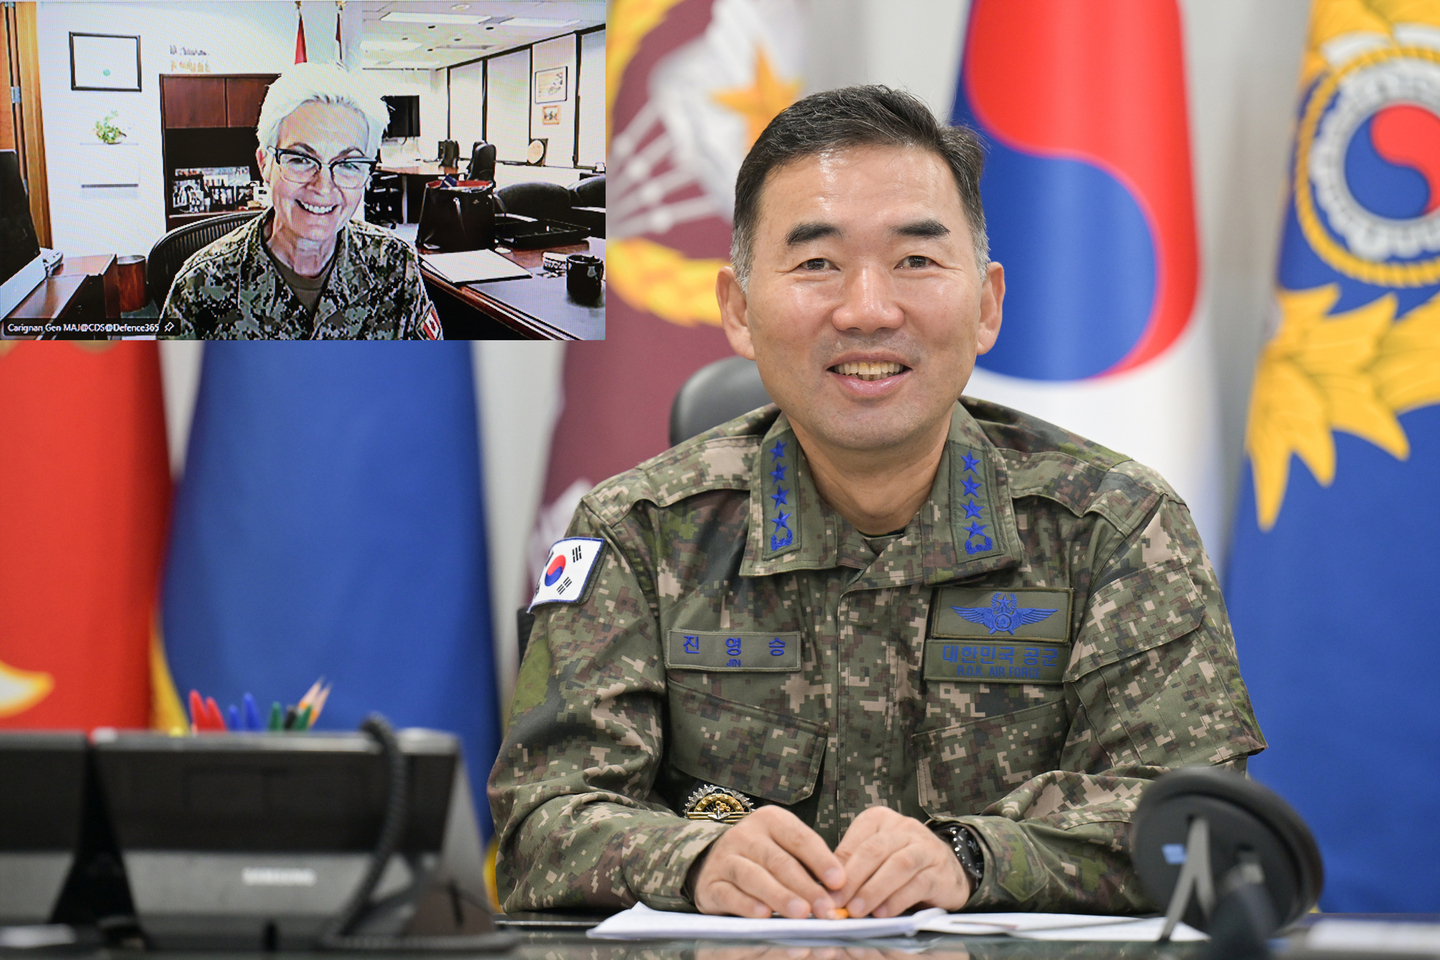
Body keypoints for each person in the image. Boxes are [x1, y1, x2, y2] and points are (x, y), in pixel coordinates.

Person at [489, 86, 1264, 918]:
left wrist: (975, 858)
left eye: (917, 260)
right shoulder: (637, 536)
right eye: (817, 263)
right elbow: (541, 822)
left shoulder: (1116, 528)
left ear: (988, 305)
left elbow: (1197, 824)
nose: (867, 309)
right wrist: (693, 860)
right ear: (739, 310)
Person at [160, 63, 441, 339]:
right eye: (301, 159)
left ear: (367, 175)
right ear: (265, 164)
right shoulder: (201, 283)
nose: (323, 187)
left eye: (349, 164)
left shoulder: (395, 266)